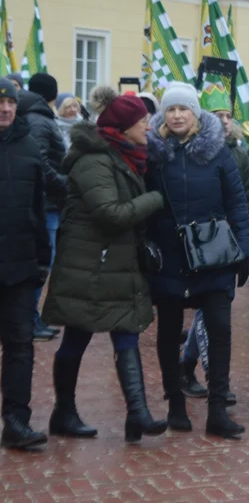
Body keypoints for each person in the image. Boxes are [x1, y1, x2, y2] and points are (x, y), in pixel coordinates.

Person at [41, 86, 168, 443]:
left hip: (115, 265)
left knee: (125, 333)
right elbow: (110, 214)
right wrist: (154, 199)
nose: (148, 125)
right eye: (141, 120)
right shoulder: (94, 160)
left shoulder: (128, 156)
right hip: (89, 265)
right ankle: (63, 412)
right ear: (124, 126)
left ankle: (138, 412)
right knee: (76, 337)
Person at [145, 82, 249, 440]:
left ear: (196, 113)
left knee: (220, 331)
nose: (177, 115)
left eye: (183, 109)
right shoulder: (153, 154)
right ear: (163, 114)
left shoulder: (218, 152)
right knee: (169, 330)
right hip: (170, 257)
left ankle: (217, 409)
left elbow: (238, 204)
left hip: (213, 254)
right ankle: (175, 400)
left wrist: (245, 252)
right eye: (171, 110)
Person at [179, 84, 249, 401]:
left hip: (228, 245)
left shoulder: (239, 155)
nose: (226, 121)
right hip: (199, 243)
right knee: (211, 312)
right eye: (218, 115)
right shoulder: (189, 151)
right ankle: (216, 379)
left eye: (228, 115)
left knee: (211, 310)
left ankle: (186, 366)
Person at [0, 77, 50, 450]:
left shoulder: (29, 144)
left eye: (10, 103)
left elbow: (39, 205)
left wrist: (43, 257)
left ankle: (16, 421)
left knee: (20, 344)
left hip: (19, 266)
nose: (5, 109)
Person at [19, 73, 67, 341]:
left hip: (44, 201)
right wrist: (63, 183)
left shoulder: (31, 114)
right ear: (51, 94)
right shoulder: (38, 119)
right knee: (41, 262)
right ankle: (29, 319)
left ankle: (29, 317)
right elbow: (39, 162)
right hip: (45, 203)